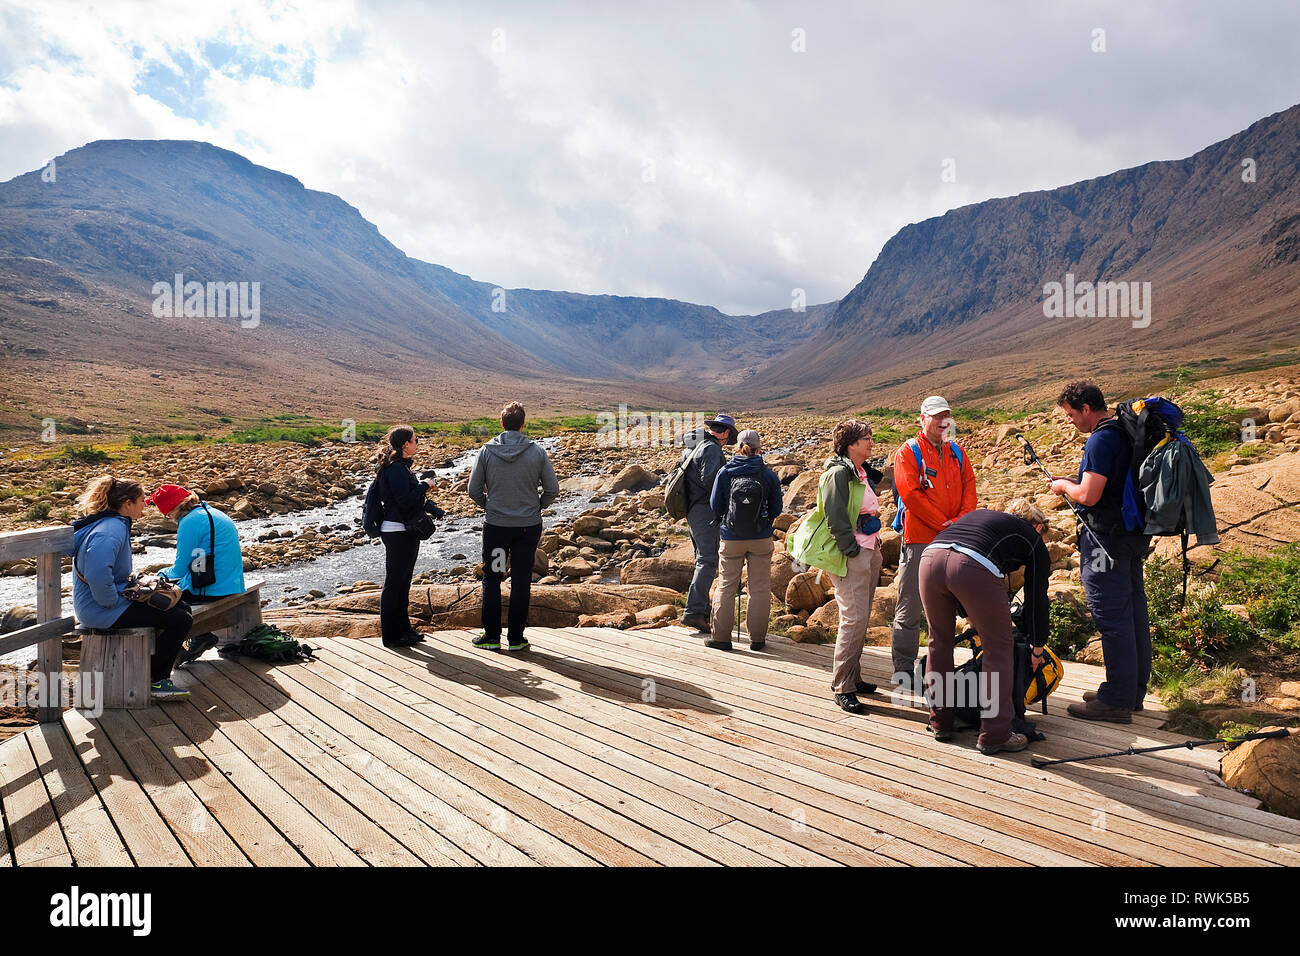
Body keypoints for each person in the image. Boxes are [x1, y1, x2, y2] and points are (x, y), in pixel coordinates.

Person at [918, 500, 1052, 754]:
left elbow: (954, 564)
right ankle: (995, 733)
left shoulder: (986, 520)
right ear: (1037, 526)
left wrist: (969, 613)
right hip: (972, 566)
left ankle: (940, 721)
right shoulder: (1033, 539)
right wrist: (1037, 647)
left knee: (940, 642)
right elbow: (1037, 599)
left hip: (930, 557)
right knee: (999, 649)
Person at [1051, 381, 1150, 723]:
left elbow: (1090, 495)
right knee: (1133, 612)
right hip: (1132, 536)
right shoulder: (1124, 431)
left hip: (1106, 540)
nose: (1070, 421)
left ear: (1087, 409)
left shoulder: (1101, 439)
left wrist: (1063, 485)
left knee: (1112, 617)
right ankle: (1132, 691)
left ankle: (1116, 700)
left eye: (1070, 414)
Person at [788, 419, 885, 714]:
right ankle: (842, 686)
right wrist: (851, 550)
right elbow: (835, 516)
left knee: (861, 616)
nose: (871, 442)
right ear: (850, 444)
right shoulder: (837, 474)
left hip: (869, 547)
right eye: (865, 438)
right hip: (852, 555)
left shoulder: (858, 470)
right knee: (853, 618)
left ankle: (853, 676)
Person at [71, 476, 193, 700]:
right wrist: (112, 602)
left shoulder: (113, 524)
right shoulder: (110, 530)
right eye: (141, 500)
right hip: (100, 609)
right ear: (127, 504)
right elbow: (97, 572)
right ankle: (153, 680)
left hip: (106, 603)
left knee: (181, 608)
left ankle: (154, 674)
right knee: (180, 619)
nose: (145, 504)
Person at [890, 395, 977, 689]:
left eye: (947, 416)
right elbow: (910, 494)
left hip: (952, 540)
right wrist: (944, 524)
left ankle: (937, 672)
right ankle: (903, 672)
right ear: (923, 418)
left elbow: (969, 486)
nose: (943, 421)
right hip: (920, 540)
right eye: (937, 416)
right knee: (909, 607)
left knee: (943, 610)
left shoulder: (958, 452)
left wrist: (961, 522)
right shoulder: (907, 452)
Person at [467, 401, 560, 652]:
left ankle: (491, 636)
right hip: (527, 529)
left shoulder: (486, 451)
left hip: (497, 528)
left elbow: (473, 490)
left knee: (493, 577)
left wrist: (489, 505)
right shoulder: (537, 452)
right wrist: (537, 506)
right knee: (521, 580)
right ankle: (517, 638)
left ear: (501, 424)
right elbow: (552, 489)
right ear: (523, 424)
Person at [145, 483, 247, 666]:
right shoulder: (211, 512)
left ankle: (163, 660)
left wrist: (156, 575)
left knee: (156, 602)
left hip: (212, 587)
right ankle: (201, 636)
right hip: (231, 582)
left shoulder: (189, 522)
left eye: (166, 514)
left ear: (171, 510)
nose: (167, 518)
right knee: (175, 590)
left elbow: (180, 569)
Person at [707, 429, 784, 651]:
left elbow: (715, 505)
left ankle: (721, 639)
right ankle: (757, 640)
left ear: (737, 447)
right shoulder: (768, 474)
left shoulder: (725, 472)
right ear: (759, 448)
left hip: (731, 537)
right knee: (759, 588)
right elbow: (777, 507)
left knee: (726, 585)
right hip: (761, 537)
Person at [374, 425, 440, 648]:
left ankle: (404, 630)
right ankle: (391, 635)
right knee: (394, 583)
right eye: (415, 440)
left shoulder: (398, 467)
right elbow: (404, 501)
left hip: (403, 530)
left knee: (403, 583)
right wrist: (425, 485)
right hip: (396, 531)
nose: (417, 443)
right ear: (405, 444)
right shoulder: (396, 469)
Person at [679, 413, 737, 631]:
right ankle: (694, 612)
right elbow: (710, 480)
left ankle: (700, 608)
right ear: (726, 433)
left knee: (701, 559)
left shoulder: (693, 446)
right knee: (708, 560)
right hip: (704, 511)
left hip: (692, 509)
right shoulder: (711, 448)